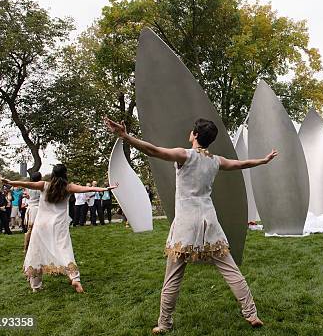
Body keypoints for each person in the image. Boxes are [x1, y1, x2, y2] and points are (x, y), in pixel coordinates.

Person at [105, 116, 277, 333]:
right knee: (230, 269)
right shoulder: (216, 160)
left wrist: (124, 135)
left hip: (186, 223)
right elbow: (242, 164)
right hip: (209, 221)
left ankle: (164, 323)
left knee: (173, 275)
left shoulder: (184, 155)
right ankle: (251, 314)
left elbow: (153, 151)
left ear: (195, 135)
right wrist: (263, 160)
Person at [0, 165, 117, 293]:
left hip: (41, 224)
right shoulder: (68, 187)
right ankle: (75, 278)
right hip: (59, 225)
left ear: (52, 174)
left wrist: (9, 182)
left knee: (36, 252)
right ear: (65, 174)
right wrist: (105, 188)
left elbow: (25, 184)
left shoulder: (44, 185)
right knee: (65, 250)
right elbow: (87, 188)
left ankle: (35, 286)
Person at [24, 172, 42, 252]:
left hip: (30, 208)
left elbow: (28, 196)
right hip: (36, 208)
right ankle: (27, 247)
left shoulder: (29, 187)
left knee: (30, 229)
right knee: (32, 229)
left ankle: (28, 246)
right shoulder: (39, 188)